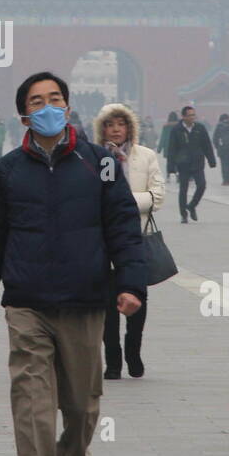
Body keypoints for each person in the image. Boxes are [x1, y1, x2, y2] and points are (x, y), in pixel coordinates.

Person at [0, 71, 146, 456]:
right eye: (37, 101)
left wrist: (129, 284)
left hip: (85, 300)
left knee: (83, 407)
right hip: (27, 301)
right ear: (24, 114)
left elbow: (123, 227)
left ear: (67, 106)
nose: (47, 107)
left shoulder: (99, 162)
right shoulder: (6, 171)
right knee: (31, 401)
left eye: (55, 99)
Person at [94, 103, 164, 380]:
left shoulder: (145, 156)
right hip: (102, 240)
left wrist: (124, 204)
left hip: (137, 238)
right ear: (103, 130)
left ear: (129, 128)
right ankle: (113, 358)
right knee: (107, 303)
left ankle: (133, 351)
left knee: (137, 296)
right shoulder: (94, 157)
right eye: (110, 125)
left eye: (120, 125)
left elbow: (157, 195)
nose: (115, 130)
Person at [166, 105, 216, 222]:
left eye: (194, 115)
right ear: (183, 117)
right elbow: (172, 149)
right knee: (183, 189)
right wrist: (171, 166)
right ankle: (183, 214)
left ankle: (192, 205)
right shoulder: (176, 130)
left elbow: (207, 145)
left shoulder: (200, 128)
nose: (193, 117)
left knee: (202, 185)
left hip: (198, 163)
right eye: (190, 115)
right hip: (183, 164)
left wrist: (211, 160)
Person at [156, 110, 180, 175]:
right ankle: (177, 174)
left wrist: (159, 149)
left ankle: (168, 175)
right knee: (177, 161)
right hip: (177, 146)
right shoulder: (179, 126)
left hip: (168, 147)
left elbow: (163, 138)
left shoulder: (166, 126)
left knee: (169, 161)